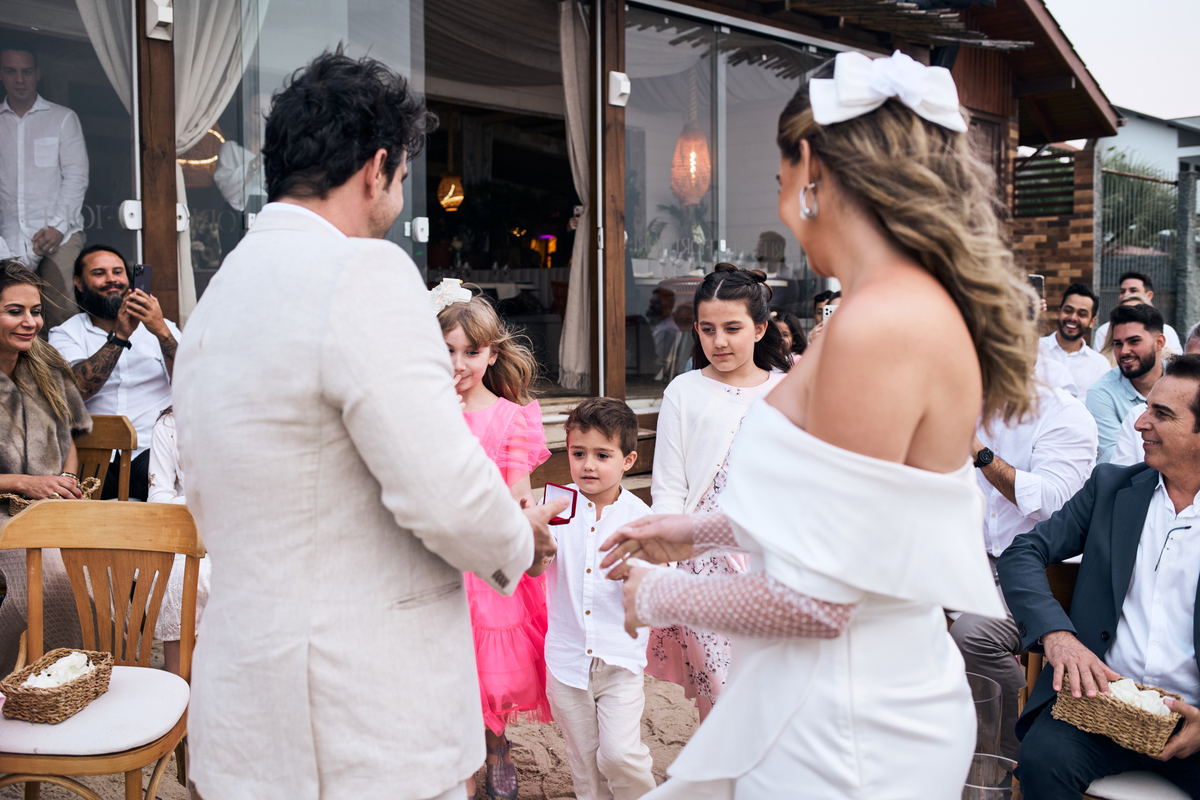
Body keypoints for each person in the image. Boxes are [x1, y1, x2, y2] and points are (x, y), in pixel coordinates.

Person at [600, 50, 1024, 799]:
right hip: (839, 698)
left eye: (778, 180)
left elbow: (818, 603)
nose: (781, 207)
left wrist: (658, 595)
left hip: (846, 724)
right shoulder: (893, 310)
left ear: (811, 168)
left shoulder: (877, 327)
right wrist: (698, 532)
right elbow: (847, 516)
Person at [173, 51, 564, 800]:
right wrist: (523, 543)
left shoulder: (217, 297)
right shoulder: (362, 273)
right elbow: (443, 488)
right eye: (405, 169)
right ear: (378, 167)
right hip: (361, 717)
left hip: (244, 708)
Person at [997, 353, 1200, 798]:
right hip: (1097, 708)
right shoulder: (1111, 487)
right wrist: (1057, 635)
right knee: (1041, 759)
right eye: (1146, 407)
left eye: (1161, 414)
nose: (1140, 423)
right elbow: (1023, 552)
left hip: (1196, 723)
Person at [646, 264, 789, 722]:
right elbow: (670, 487)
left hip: (769, 562)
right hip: (703, 563)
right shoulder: (684, 391)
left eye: (732, 328)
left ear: (759, 328)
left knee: (770, 688)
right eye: (707, 329)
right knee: (723, 692)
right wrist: (665, 561)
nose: (719, 341)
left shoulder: (787, 391)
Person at [437, 292, 552, 800]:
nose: (459, 363)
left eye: (471, 352)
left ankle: (496, 745)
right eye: (448, 350)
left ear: (492, 354)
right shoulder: (424, 413)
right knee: (444, 663)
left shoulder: (511, 418)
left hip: (484, 562)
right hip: (436, 555)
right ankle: (456, 754)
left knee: (488, 667)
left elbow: (516, 494)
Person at [952, 364, 1097, 759]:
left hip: (1039, 572)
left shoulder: (1064, 413)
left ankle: (1017, 755)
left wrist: (979, 453)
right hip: (967, 558)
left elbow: (1053, 503)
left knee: (972, 636)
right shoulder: (961, 399)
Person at [545, 398, 657, 800]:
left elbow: (657, 584)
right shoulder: (555, 506)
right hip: (566, 658)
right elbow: (535, 567)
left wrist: (639, 575)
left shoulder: (640, 517)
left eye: (602, 455)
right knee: (584, 758)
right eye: (578, 453)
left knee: (620, 755)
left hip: (619, 660)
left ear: (628, 460)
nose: (588, 465)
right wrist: (534, 545)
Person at [0, 261, 89, 675]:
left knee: (108, 566)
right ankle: (52, 680)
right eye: (14, 311)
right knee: (54, 580)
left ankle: (93, 672)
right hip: (7, 513)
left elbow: (68, 439)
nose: (30, 322)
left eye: (35, 311)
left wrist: (67, 480)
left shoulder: (46, 362)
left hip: (50, 507)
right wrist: (26, 483)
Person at [48, 244, 180, 500]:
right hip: (93, 452)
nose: (111, 279)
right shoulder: (66, 333)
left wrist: (162, 332)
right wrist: (120, 336)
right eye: (99, 273)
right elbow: (75, 391)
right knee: (76, 508)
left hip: (152, 449)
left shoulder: (164, 328)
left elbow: (191, 386)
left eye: (118, 272)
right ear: (79, 282)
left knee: (168, 500)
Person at [0, 45, 89, 329]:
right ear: (1, 74)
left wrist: (58, 227)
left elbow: (76, 176)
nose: (19, 79)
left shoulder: (62, 118)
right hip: (9, 239)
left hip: (58, 238)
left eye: (27, 71)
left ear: (38, 74)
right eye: (11, 71)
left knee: (63, 317)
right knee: (14, 320)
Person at [145, 405, 210, 677]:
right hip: (189, 528)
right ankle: (180, 681)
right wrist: (207, 501)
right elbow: (157, 499)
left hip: (245, 529)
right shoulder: (170, 425)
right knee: (180, 575)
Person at [1086, 304, 1166, 464]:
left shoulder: (1183, 382)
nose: (1124, 351)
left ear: (1159, 342)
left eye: (1134, 341)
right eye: (1118, 344)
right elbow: (1118, 461)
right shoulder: (1101, 393)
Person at [1112, 323, 1200, 466]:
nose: (1141, 425)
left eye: (1162, 414)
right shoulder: (1140, 416)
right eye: (1193, 363)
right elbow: (1120, 475)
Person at [1037, 283, 1110, 403]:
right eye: (1068, 311)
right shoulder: (1034, 349)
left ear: (1092, 321)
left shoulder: (1100, 365)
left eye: (1082, 314)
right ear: (1059, 312)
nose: (1073, 318)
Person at [1093, 271, 1182, 356]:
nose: (1126, 295)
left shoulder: (1168, 331)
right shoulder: (1104, 331)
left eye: (1133, 290)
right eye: (1122, 291)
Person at [213, 93, 270, 213]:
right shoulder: (231, 149)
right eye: (256, 112)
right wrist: (254, 164)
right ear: (246, 115)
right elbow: (227, 189)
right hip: (241, 218)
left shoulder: (280, 152)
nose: (262, 118)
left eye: (268, 113)